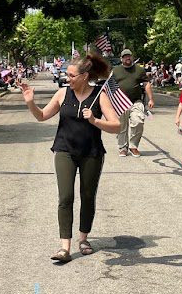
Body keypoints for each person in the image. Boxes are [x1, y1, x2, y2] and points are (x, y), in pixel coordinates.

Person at [20, 53, 120, 262]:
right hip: (64, 150)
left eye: (72, 76)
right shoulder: (62, 94)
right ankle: (64, 247)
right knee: (65, 197)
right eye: (67, 75)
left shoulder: (99, 95)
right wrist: (30, 102)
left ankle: (83, 238)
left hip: (91, 152)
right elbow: (41, 116)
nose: (68, 79)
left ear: (84, 76)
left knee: (87, 196)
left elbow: (117, 126)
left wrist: (95, 121)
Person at [113, 48, 154, 157]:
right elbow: (110, 87)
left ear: (132, 57)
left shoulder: (139, 70)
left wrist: (151, 99)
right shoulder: (115, 70)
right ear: (121, 59)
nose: (127, 58)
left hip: (136, 101)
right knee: (122, 126)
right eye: (125, 56)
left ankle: (133, 146)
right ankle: (122, 147)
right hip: (120, 102)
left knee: (138, 121)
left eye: (129, 56)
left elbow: (146, 84)